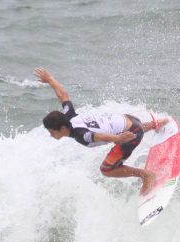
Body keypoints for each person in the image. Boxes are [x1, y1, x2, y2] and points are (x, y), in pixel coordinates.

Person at [35, 68, 168, 195]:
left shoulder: (81, 135)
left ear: (62, 128)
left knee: (106, 170)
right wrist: (50, 79)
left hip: (131, 133)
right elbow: (63, 95)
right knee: (121, 129)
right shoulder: (69, 116)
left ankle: (146, 175)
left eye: (52, 132)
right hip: (131, 119)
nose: (51, 135)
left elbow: (99, 136)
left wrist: (119, 140)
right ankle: (155, 124)